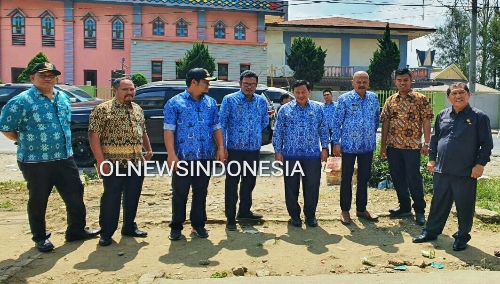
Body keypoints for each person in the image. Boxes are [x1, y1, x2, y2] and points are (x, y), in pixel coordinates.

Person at [0, 62, 99, 252]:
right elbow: (5, 127)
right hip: (35, 161)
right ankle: (40, 237)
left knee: (75, 194)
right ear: (32, 78)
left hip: (64, 157)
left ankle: (76, 231)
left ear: (56, 78)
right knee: (38, 199)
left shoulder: (62, 98)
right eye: (42, 74)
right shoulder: (21, 101)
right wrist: (23, 141)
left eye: (51, 75)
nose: (47, 78)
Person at [412, 83, 493, 251]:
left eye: (462, 92)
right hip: (442, 169)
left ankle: (462, 237)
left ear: (468, 95)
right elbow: (435, 139)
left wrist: (480, 165)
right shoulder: (442, 115)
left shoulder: (479, 117)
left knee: (464, 205)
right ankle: (431, 231)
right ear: (448, 97)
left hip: (466, 171)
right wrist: (432, 159)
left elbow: (486, 145)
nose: (458, 96)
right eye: (454, 93)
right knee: (438, 203)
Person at [88, 78, 152, 246]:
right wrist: (101, 161)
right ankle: (107, 233)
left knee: (133, 196)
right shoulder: (103, 109)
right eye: (125, 89)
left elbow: (142, 131)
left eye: (132, 89)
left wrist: (149, 149)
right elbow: (94, 136)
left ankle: (129, 227)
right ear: (114, 91)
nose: (129, 92)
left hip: (136, 162)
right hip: (113, 163)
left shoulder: (138, 109)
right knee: (112, 198)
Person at [164, 68, 225, 240]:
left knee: (201, 192)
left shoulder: (211, 103)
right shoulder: (175, 103)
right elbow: (169, 130)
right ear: (193, 82)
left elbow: (216, 126)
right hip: (183, 156)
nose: (208, 85)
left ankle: (198, 225)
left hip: (205, 156)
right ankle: (176, 226)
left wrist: (220, 147)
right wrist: (171, 154)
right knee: (180, 192)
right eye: (205, 82)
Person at [380, 68, 434, 226]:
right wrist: (383, 145)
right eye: (399, 80)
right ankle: (404, 206)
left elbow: (426, 121)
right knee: (397, 177)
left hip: (412, 146)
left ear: (411, 81)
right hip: (393, 146)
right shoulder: (390, 100)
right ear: (395, 82)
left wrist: (427, 143)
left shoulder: (420, 99)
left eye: (405, 80)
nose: (402, 83)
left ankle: (419, 210)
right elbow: (386, 122)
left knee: (414, 178)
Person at [273, 80, 329, 228]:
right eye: (297, 92)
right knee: (291, 186)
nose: (300, 95)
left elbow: (323, 129)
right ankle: (294, 216)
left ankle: (310, 215)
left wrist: (325, 148)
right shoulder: (285, 110)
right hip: (290, 155)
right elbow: (278, 132)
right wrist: (277, 151)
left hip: (312, 155)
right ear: (293, 93)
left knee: (312, 186)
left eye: (303, 92)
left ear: (309, 91)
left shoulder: (318, 108)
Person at [219, 70, 269, 231]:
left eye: (252, 84)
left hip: (253, 150)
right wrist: (223, 147)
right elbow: (222, 124)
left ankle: (244, 211)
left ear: (256, 85)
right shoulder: (230, 100)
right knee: (232, 184)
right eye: (246, 84)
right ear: (240, 83)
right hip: (234, 150)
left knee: (249, 182)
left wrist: (252, 133)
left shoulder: (260, 101)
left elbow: (264, 121)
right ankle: (230, 218)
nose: (249, 87)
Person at [331, 71, 379, 224]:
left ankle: (361, 209)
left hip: (367, 145)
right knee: (346, 179)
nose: (361, 84)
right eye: (358, 81)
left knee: (364, 178)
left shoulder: (374, 98)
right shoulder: (344, 99)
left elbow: (376, 119)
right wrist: (336, 142)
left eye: (364, 81)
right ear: (353, 82)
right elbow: (336, 122)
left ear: (369, 83)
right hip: (348, 146)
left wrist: (370, 133)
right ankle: (345, 211)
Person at [322, 89, 337, 156]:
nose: (326, 96)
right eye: (324, 95)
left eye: (328, 95)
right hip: (324, 129)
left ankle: (334, 160)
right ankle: (326, 158)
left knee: (334, 145)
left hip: (334, 129)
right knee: (325, 146)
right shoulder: (321, 107)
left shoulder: (337, 106)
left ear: (332, 95)